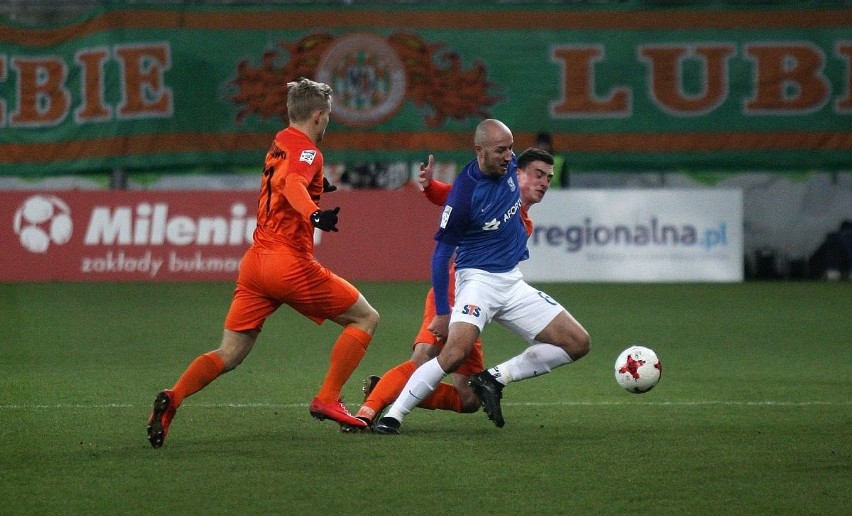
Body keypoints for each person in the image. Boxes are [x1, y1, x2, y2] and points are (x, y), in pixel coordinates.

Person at [146, 77, 379, 448]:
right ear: (318, 116)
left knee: (230, 352)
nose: (328, 122)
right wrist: (314, 213)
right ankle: (328, 399)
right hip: (288, 265)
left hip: (255, 264)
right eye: (329, 115)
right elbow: (291, 186)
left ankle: (173, 398)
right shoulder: (309, 152)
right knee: (365, 318)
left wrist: (317, 187)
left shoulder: (280, 141)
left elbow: (287, 179)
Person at [374, 119, 590, 435]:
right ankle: (393, 415)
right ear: (480, 151)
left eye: (511, 150)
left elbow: (519, 164)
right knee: (452, 354)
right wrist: (444, 314)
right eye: (501, 150)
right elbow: (439, 256)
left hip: (511, 283)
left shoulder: (511, 167)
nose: (508, 156)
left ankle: (495, 377)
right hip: (476, 281)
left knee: (577, 342)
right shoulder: (466, 192)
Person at [348, 147, 554, 428]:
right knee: (423, 359)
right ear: (516, 175)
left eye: (549, 179)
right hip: (454, 293)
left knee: (469, 399)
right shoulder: (493, 194)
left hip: (479, 308)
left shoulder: (524, 222)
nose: (544, 183)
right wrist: (431, 186)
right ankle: (367, 412)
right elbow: (453, 198)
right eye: (538, 175)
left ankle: (384, 389)